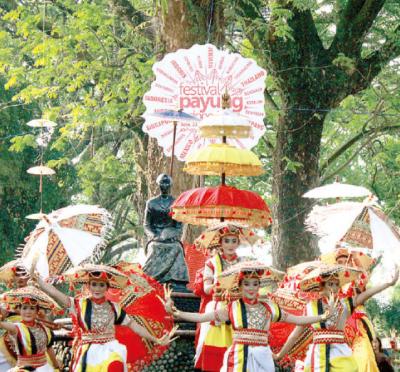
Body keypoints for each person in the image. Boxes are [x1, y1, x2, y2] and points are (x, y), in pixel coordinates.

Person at [165, 261, 335, 372]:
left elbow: (297, 319)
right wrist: (177, 313)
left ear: (259, 286)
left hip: (263, 358)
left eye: (255, 284)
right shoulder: (233, 307)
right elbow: (202, 317)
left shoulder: (269, 307)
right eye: (246, 284)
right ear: (240, 286)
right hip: (238, 358)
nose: (251, 288)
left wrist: (322, 317)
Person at [37, 264, 175, 372]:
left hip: (111, 349)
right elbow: (54, 293)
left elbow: (134, 326)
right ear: (89, 285)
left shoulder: (114, 307)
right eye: (94, 284)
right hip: (88, 352)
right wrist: (37, 279)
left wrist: (155, 339)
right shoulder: (78, 304)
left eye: (101, 285)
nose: (97, 288)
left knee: (115, 366)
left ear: (107, 287)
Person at [275, 264, 399, 372]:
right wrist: (280, 355)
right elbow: (294, 335)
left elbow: (367, 294)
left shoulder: (345, 304)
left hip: (340, 353)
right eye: (330, 284)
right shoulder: (310, 307)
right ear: (321, 287)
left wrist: (389, 283)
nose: (334, 288)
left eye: (336, 284)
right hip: (317, 357)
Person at [194, 224, 250, 371]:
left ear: (238, 243)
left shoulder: (244, 263)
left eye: (234, 241)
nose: (230, 245)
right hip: (218, 307)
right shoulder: (212, 263)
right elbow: (206, 289)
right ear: (220, 243)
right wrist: (220, 283)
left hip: (238, 308)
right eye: (227, 241)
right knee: (216, 351)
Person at [0, 285, 62, 372]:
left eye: (32, 308)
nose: (28, 312)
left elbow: (49, 349)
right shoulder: (17, 327)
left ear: (37, 311)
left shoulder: (45, 329)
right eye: (24, 308)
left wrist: (56, 366)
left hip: (44, 368)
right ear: (20, 311)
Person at [143, 173, 189, 284]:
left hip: (171, 238)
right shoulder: (151, 203)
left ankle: (177, 280)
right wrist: (154, 235)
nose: (164, 186)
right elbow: (147, 225)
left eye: (167, 183)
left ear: (170, 185)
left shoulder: (177, 203)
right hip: (156, 237)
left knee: (177, 248)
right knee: (154, 248)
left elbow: (178, 226)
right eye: (162, 183)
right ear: (158, 185)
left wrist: (171, 234)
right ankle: (150, 278)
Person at [0, 262, 30, 371]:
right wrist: (3, 311)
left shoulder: (37, 295)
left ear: (29, 276)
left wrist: (15, 310)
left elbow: (42, 317)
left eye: (23, 273)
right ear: (13, 277)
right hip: (9, 334)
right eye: (17, 274)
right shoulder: (7, 296)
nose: (20, 277)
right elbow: (2, 317)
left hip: (31, 332)